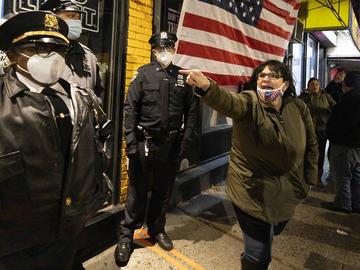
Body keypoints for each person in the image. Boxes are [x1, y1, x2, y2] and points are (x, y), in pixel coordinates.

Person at [181, 60, 318, 270]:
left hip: (289, 191)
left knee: (274, 230)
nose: (265, 78)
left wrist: (308, 180)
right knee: (259, 255)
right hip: (251, 193)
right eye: (261, 75)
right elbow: (229, 101)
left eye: (272, 75)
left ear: (286, 85)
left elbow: (311, 144)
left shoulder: (298, 107)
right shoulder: (250, 102)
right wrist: (207, 87)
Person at [0, 11, 111, 270]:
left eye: (57, 48)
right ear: (14, 55)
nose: (50, 56)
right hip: (13, 246)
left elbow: (95, 152)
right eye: (38, 48)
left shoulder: (82, 99)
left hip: (68, 234)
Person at [114, 31, 197, 267]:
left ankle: (156, 229)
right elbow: (130, 109)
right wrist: (130, 143)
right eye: (161, 48)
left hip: (170, 145)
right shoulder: (143, 74)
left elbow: (191, 113)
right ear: (154, 50)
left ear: (174, 49)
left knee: (163, 191)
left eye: (169, 47)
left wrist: (184, 144)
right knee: (137, 193)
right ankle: (126, 236)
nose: (165, 52)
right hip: (144, 143)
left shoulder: (182, 76)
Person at [40, 0, 104, 98]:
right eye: (71, 16)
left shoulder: (89, 56)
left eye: (78, 18)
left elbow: (97, 94)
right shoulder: (36, 51)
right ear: (52, 19)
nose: (76, 22)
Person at [322, 71, 360, 214]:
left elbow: (343, 123)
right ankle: (356, 203)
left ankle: (343, 204)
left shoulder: (350, 99)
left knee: (342, 175)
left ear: (346, 84)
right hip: (356, 145)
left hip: (345, 144)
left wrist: (331, 133)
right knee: (356, 175)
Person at [299, 78, 336, 185]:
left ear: (319, 86)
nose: (315, 86)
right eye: (312, 84)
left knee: (319, 155)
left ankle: (318, 178)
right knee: (306, 154)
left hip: (321, 131)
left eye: (317, 84)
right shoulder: (302, 98)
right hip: (306, 131)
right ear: (308, 86)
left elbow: (336, 109)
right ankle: (305, 177)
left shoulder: (326, 97)